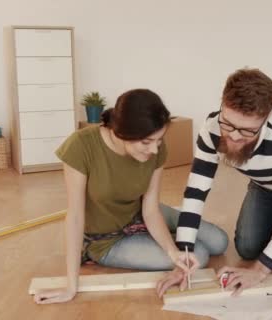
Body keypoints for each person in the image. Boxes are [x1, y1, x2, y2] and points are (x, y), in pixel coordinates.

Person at [34, 89, 228, 304]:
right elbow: (76, 216)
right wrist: (71, 286)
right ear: (121, 132)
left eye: (159, 141)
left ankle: (171, 233)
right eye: (146, 142)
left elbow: (151, 209)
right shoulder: (81, 146)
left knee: (219, 241)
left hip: (141, 213)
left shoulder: (155, 149)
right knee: (198, 254)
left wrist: (173, 253)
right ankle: (169, 234)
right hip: (107, 239)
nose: (154, 150)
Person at [157, 69, 272, 296]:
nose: (234, 137)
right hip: (265, 186)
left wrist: (259, 271)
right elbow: (195, 194)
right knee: (247, 248)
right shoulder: (212, 128)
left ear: (267, 117)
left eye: (248, 131)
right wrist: (183, 256)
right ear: (222, 105)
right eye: (228, 124)